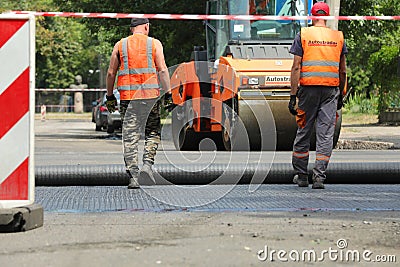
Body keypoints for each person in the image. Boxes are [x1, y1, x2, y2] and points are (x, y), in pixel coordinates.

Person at [106, 18, 171, 189]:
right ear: (146, 27)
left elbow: (111, 73)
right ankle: (147, 166)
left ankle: (133, 176)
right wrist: (168, 94)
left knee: (130, 136)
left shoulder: (120, 45)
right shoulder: (154, 43)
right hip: (150, 97)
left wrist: (110, 95)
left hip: (128, 98)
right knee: (152, 132)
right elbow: (163, 69)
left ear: (131, 29)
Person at [288, 2, 347, 189]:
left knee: (304, 129)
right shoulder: (338, 36)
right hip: (330, 91)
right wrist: (341, 95)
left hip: (308, 91)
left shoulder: (303, 34)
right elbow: (343, 70)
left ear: (311, 16)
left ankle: (302, 175)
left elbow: (296, 66)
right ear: (327, 17)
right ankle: (319, 177)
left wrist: (292, 95)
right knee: (325, 134)